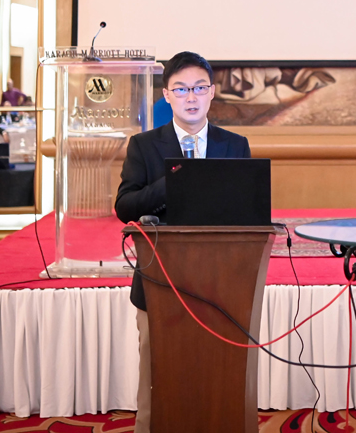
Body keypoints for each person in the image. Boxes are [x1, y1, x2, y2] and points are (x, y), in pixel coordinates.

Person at [113, 51, 251, 433]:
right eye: (181, 89)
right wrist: (174, 181)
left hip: (222, 282)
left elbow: (247, 211)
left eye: (199, 88)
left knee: (218, 367)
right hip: (160, 277)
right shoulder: (144, 146)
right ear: (167, 95)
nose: (191, 97)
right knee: (157, 367)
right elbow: (124, 207)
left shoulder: (234, 145)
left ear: (212, 93)